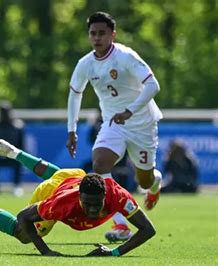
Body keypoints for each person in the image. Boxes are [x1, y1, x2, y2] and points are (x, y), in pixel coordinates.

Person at [0, 139, 156, 256]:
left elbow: (148, 229)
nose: (93, 210)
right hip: (56, 190)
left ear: (105, 195)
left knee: (60, 174)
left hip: (75, 178)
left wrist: (115, 253)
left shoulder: (118, 196)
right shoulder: (63, 204)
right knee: (22, 234)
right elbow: (24, 216)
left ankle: (16, 153)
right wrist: (45, 251)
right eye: (88, 205)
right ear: (80, 199)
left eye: (97, 203)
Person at [65, 11, 163, 242]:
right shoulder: (85, 64)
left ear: (113, 34)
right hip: (113, 124)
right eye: (92, 34)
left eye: (102, 33)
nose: (97, 38)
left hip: (142, 124)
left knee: (144, 181)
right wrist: (71, 129)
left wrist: (131, 110)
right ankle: (121, 224)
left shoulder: (125, 56)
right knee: (99, 164)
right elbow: (74, 95)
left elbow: (153, 86)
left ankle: (155, 181)